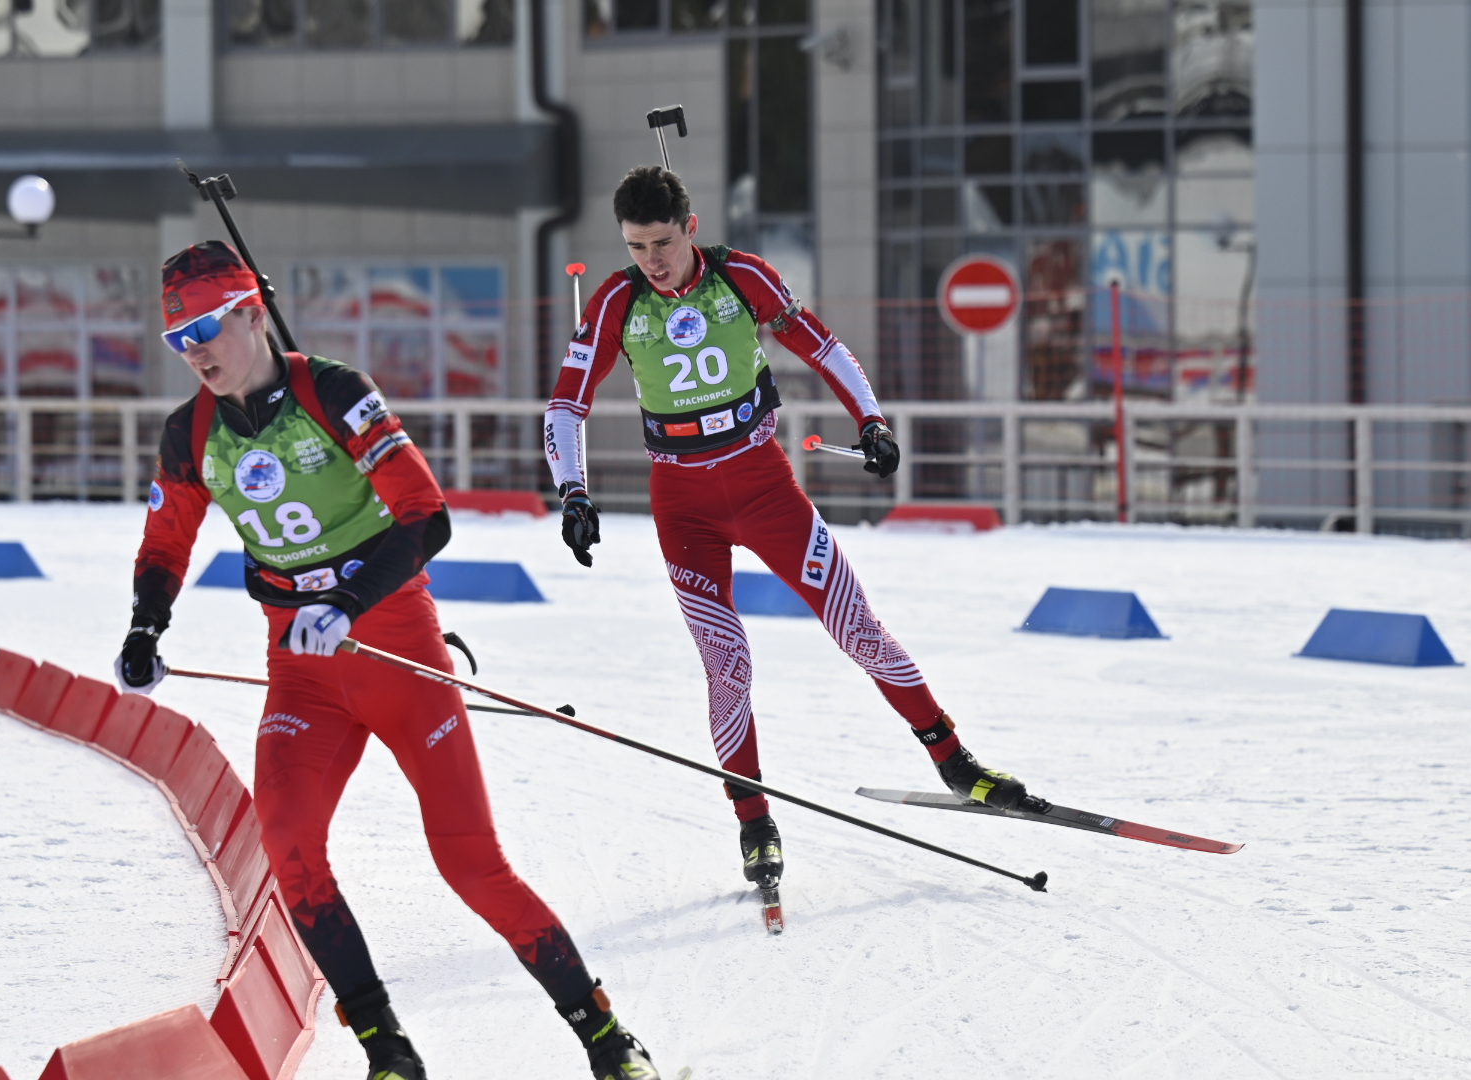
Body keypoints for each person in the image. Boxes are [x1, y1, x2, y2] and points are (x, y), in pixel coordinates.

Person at [116, 241, 661, 1080]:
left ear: (252, 313)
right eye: (178, 339)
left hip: (395, 645)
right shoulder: (189, 433)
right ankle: (387, 1049)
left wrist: (344, 602)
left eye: (208, 329)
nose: (195, 351)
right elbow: (167, 539)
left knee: (470, 864)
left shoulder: (333, 391)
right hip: (302, 669)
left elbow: (425, 516)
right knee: (289, 845)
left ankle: (603, 1035)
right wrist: (146, 626)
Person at [543, 167, 1030, 894]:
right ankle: (754, 823)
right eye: (637, 245)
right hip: (683, 508)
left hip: (765, 486)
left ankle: (955, 763)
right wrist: (572, 493)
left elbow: (825, 347)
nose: (653, 260)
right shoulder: (618, 300)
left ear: (691, 228)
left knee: (858, 629)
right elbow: (564, 406)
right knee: (727, 663)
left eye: (664, 242)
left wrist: (871, 420)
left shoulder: (743, 278)